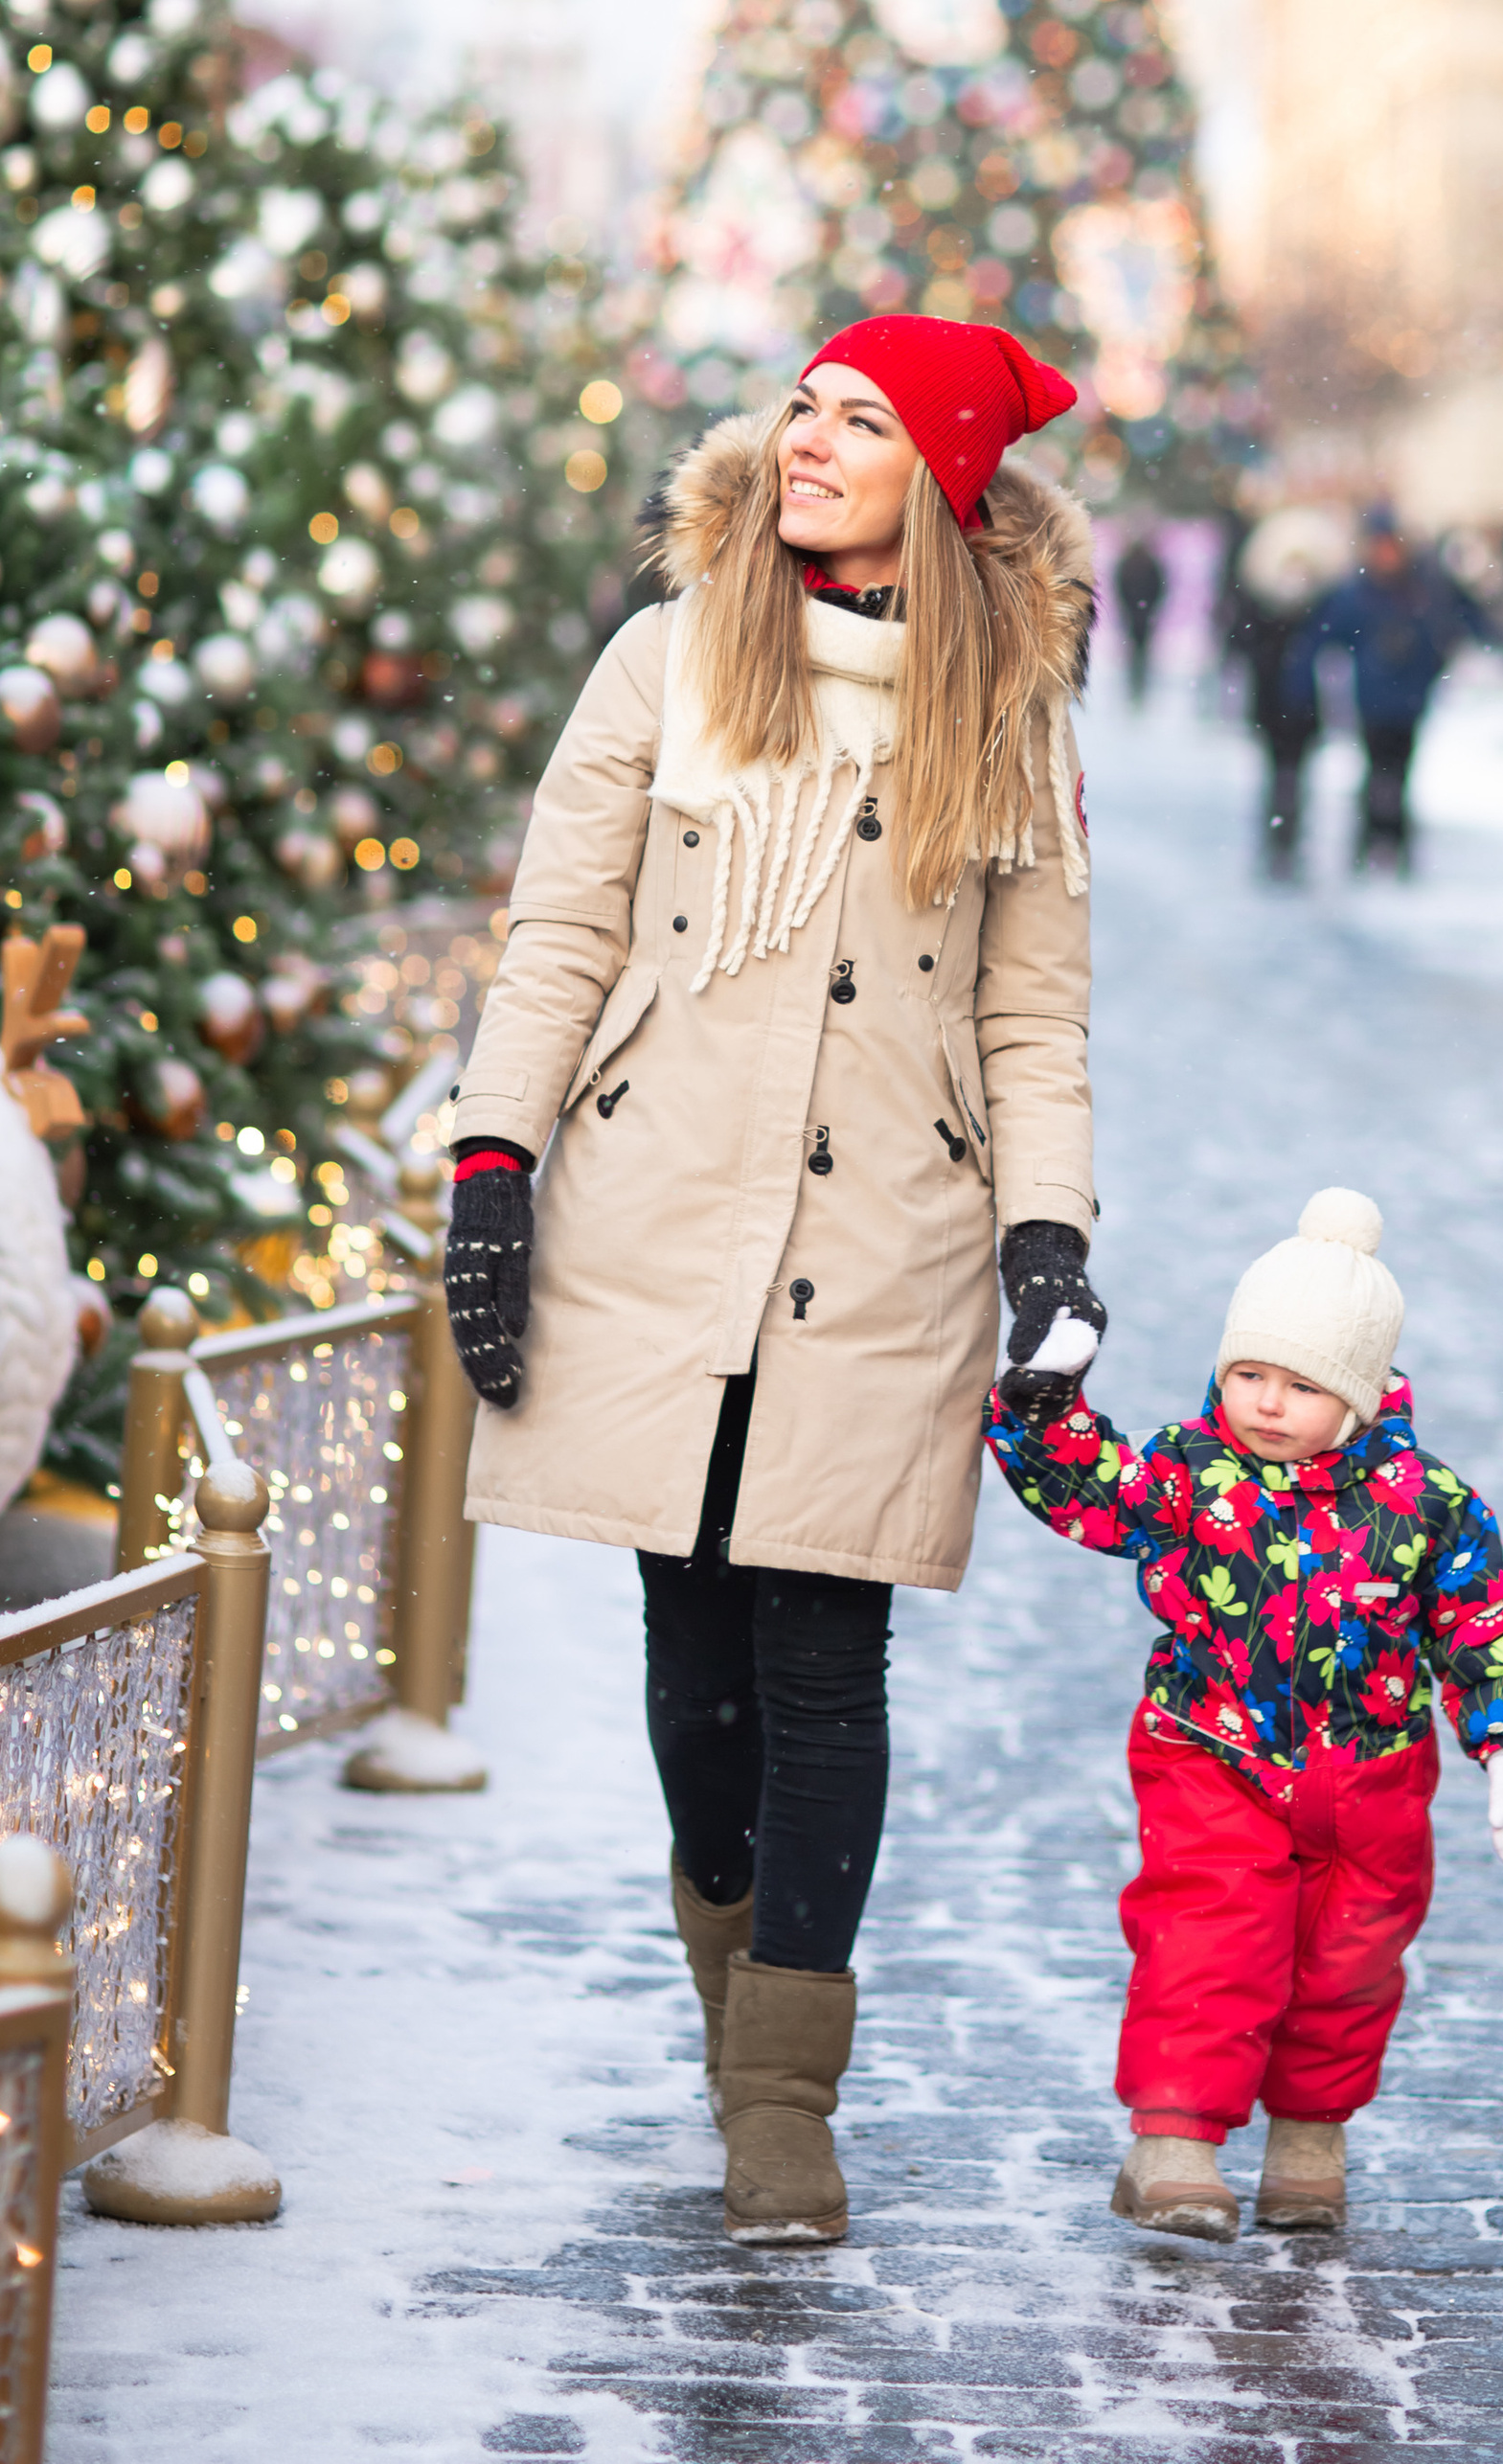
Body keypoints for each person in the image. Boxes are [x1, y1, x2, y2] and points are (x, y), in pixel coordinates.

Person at [441, 313, 1103, 2249]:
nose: (804, 441)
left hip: (886, 1243)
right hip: (659, 1225)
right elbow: (556, 932)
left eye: (859, 420)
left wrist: (1047, 1243)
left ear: (941, 474)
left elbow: (1034, 1016)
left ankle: (779, 2098)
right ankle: (731, 1960)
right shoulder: (669, 657)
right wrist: (496, 1163)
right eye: (802, 407)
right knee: (695, 1672)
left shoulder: (1014, 723)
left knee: (825, 1663)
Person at [987, 1188, 1503, 2243]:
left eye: (1300, 1384)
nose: (1266, 1403)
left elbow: (1481, 1618)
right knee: (1209, 1940)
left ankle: (1309, 2137)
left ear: (1360, 1392)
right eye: (1249, 1373)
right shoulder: (1187, 1473)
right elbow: (1087, 1486)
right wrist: (1042, 1405)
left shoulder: (1425, 1501)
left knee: (1350, 1961)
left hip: (1374, 1778)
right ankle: (1175, 2142)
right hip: (1213, 1752)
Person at [1297, 506, 1503, 876]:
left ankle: (1395, 846)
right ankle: (1370, 844)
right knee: (1375, 774)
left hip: (1410, 700)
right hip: (1371, 700)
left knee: (1400, 774)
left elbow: (1462, 622)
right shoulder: (1356, 593)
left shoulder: (1425, 590)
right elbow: (1325, 636)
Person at [1224, 508, 1348, 878]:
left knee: (1296, 777)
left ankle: (1288, 838)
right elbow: (1242, 646)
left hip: (1304, 710)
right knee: (1277, 777)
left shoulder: (1319, 609)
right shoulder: (1262, 607)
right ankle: (1279, 839)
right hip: (1273, 708)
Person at [1111, 530, 1170, 708]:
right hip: (1141, 614)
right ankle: (1138, 684)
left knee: (1136, 651)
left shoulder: (1130, 563)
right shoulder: (1147, 564)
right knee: (1139, 651)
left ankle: (1137, 684)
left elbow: (1121, 587)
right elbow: (1159, 588)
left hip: (1137, 614)